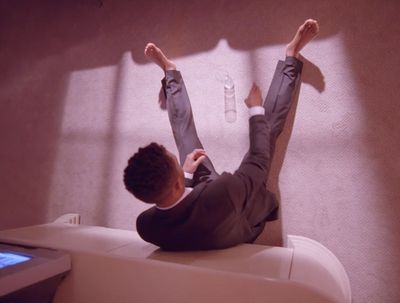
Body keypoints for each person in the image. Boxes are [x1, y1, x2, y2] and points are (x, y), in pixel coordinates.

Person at [123, 19, 319, 251]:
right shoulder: (223, 193)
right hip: (236, 216)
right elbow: (258, 160)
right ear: (176, 184)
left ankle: (171, 73)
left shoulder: (145, 226)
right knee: (266, 132)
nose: (180, 161)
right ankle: (291, 55)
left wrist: (185, 172)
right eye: (174, 162)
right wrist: (255, 109)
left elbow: (172, 199)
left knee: (184, 140)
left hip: (195, 203)